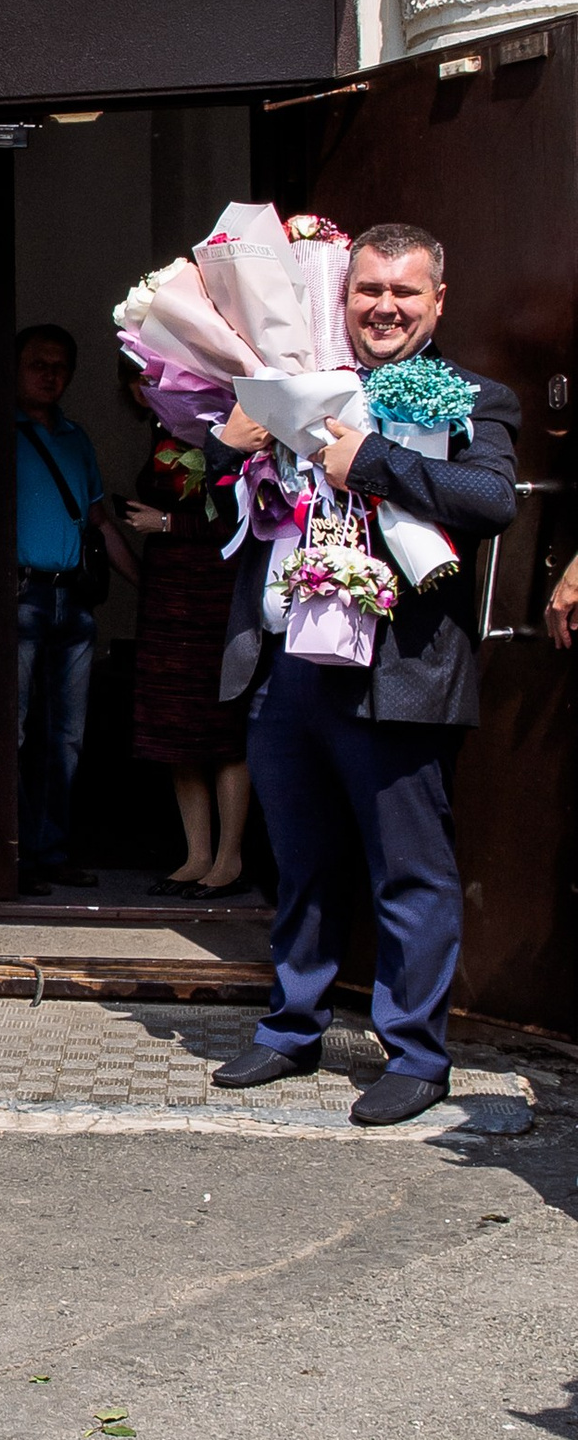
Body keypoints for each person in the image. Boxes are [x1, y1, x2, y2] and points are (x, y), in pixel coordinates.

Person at [211, 221, 518, 1127]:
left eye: (404, 292)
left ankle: (417, 1055)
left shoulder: (471, 397)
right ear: (340, 298)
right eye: (367, 291)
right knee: (298, 863)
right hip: (288, 665)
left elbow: (491, 501)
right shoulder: (293, 388)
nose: (384, 307)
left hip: (399, 676)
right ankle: (290, 1029)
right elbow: (209, 506)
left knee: (408, 873)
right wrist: (231, 444)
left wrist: (367, 457)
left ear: (437, 302)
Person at [11, 323, 132, 896]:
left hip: (73, 602)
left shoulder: (75, 438)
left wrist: (148, 586)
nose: (49, 374)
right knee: (9, 731)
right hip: (19, 599)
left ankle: (49, 852)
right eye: (38, 363)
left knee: (66, 737)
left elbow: (101, 522)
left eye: (60, 366)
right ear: (14, 369)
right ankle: (5, 858)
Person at [121, 400, 252, 896]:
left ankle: (229, 859)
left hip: (215, 600)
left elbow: (244, 523)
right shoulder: (162, 433)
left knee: (223, 731)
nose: (143, 389)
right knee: (176, 732)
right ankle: (196, 854)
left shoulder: (230, 435)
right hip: (166, 602)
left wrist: (170, 525)